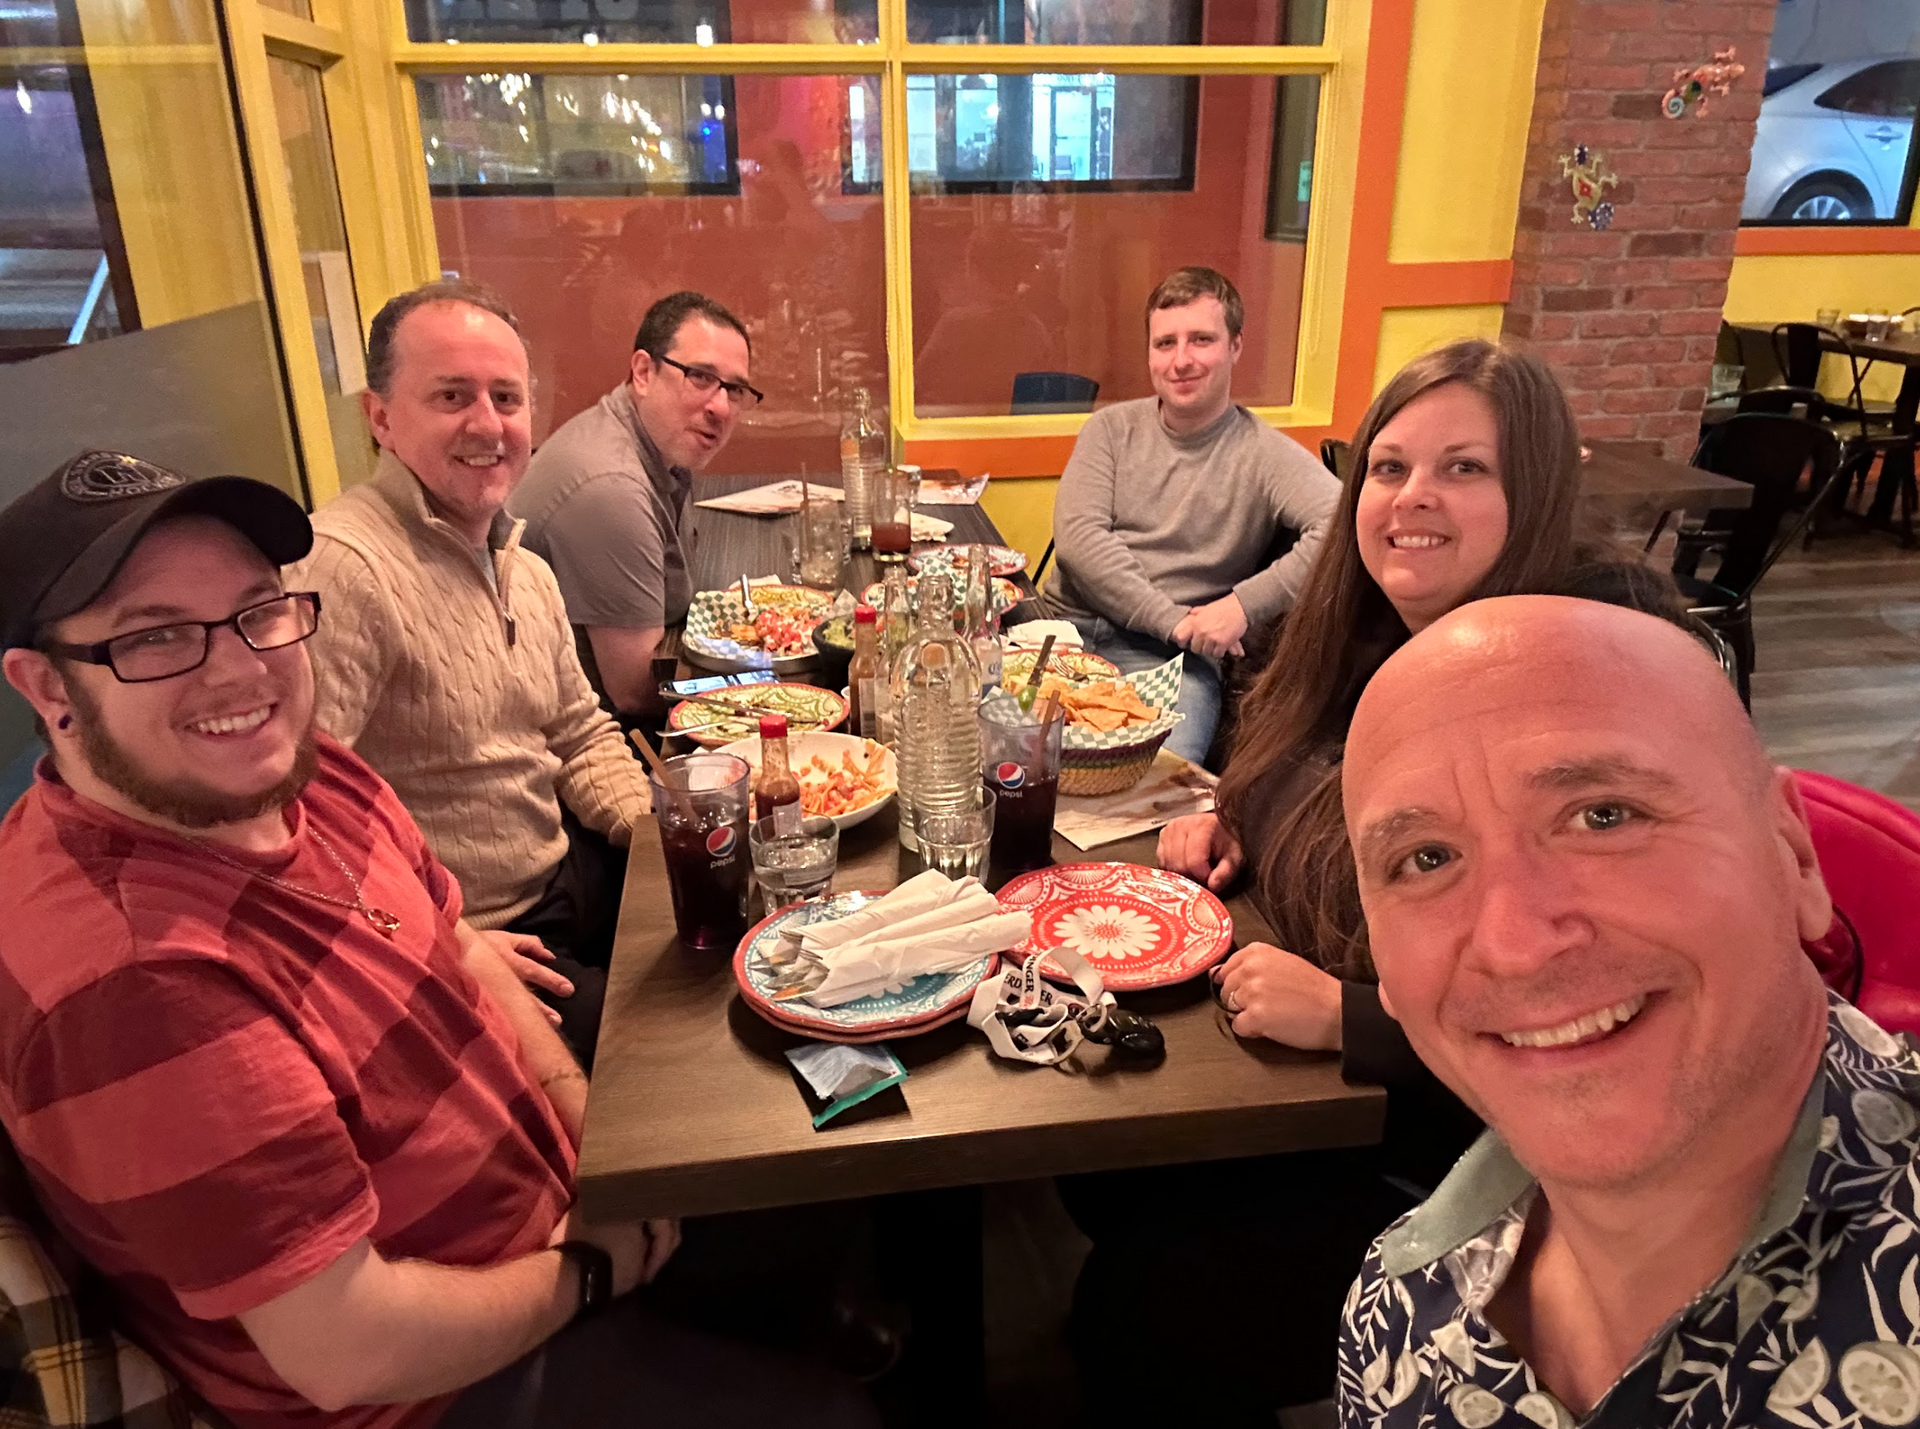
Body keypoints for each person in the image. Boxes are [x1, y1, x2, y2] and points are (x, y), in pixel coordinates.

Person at [0, 450, 873, 1429]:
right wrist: (590, 1267)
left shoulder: (297, 769)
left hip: (543, 1213)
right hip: (438, 1389)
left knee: (810, 1157)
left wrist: (592, 1131)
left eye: (257, 610)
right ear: (46, 686)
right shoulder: (137, 984)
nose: (240, 668)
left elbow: (454, 946)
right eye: (156, 636)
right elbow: (347, 1346)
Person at [1061, 340, 1682, 1423]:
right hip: (1311, 1098)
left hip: (1477, 1157)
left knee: (1137, 1306)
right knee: (1096, 1164)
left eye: (1464, 470)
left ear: (1535, 487)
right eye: (1388, 468)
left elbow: (1612, 1019)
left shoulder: (1589, 685)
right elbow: (1308, 778)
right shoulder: (1368, 631)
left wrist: (1354, 1019)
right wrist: (1235, 819)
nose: (1412, 499)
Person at [1336, 594, 1896, 1428]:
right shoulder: (1395, 1311)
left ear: (1794, 855)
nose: (1515, 941)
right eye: (1426, 858)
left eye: (1605, 815)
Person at [290, 280, 653, 1062]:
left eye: (507, 397)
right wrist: (451, 943)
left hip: (564, 875)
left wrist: (653, 830)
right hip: (483, 930)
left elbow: (580, 732)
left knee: (743, 926)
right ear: (380, 416)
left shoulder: (521, 565)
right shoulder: (343, 567)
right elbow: (303, 822)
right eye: (452, 396)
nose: (487, 424)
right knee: (664, 1068)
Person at [1039, 265, 1339, 763]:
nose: (1181, 361)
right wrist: (1173, 620)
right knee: (982, 752)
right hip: (1062, 631)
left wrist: (1241, 608)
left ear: (1235, 347)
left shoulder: (1265, 454)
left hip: (1174, 662)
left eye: (1201, 339)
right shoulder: (1110, 430)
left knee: (1162, 793)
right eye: (1165, 343)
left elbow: (1341, 528)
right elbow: (1079, 540)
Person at [514, 290, 759, 726]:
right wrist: (765, 680)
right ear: (644, 372)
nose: (720, 407)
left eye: (735, 389)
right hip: (581, 745)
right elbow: (639, 692)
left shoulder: (656, 443)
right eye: (700, 377)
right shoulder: (612, 489)